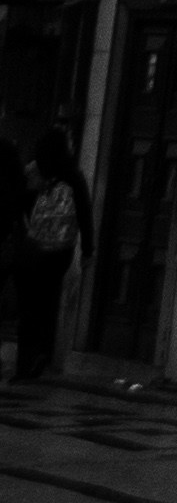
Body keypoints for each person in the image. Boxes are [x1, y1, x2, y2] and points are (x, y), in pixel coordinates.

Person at [10, 114, 90, 384]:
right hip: (59, 253)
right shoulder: (74, 177)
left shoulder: (38, 174)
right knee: (45, 304)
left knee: (28, 309)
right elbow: (85, 214)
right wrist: (88, 250)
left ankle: (24, 365)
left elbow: (20, 201)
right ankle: (40, 353)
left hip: (33, 250)